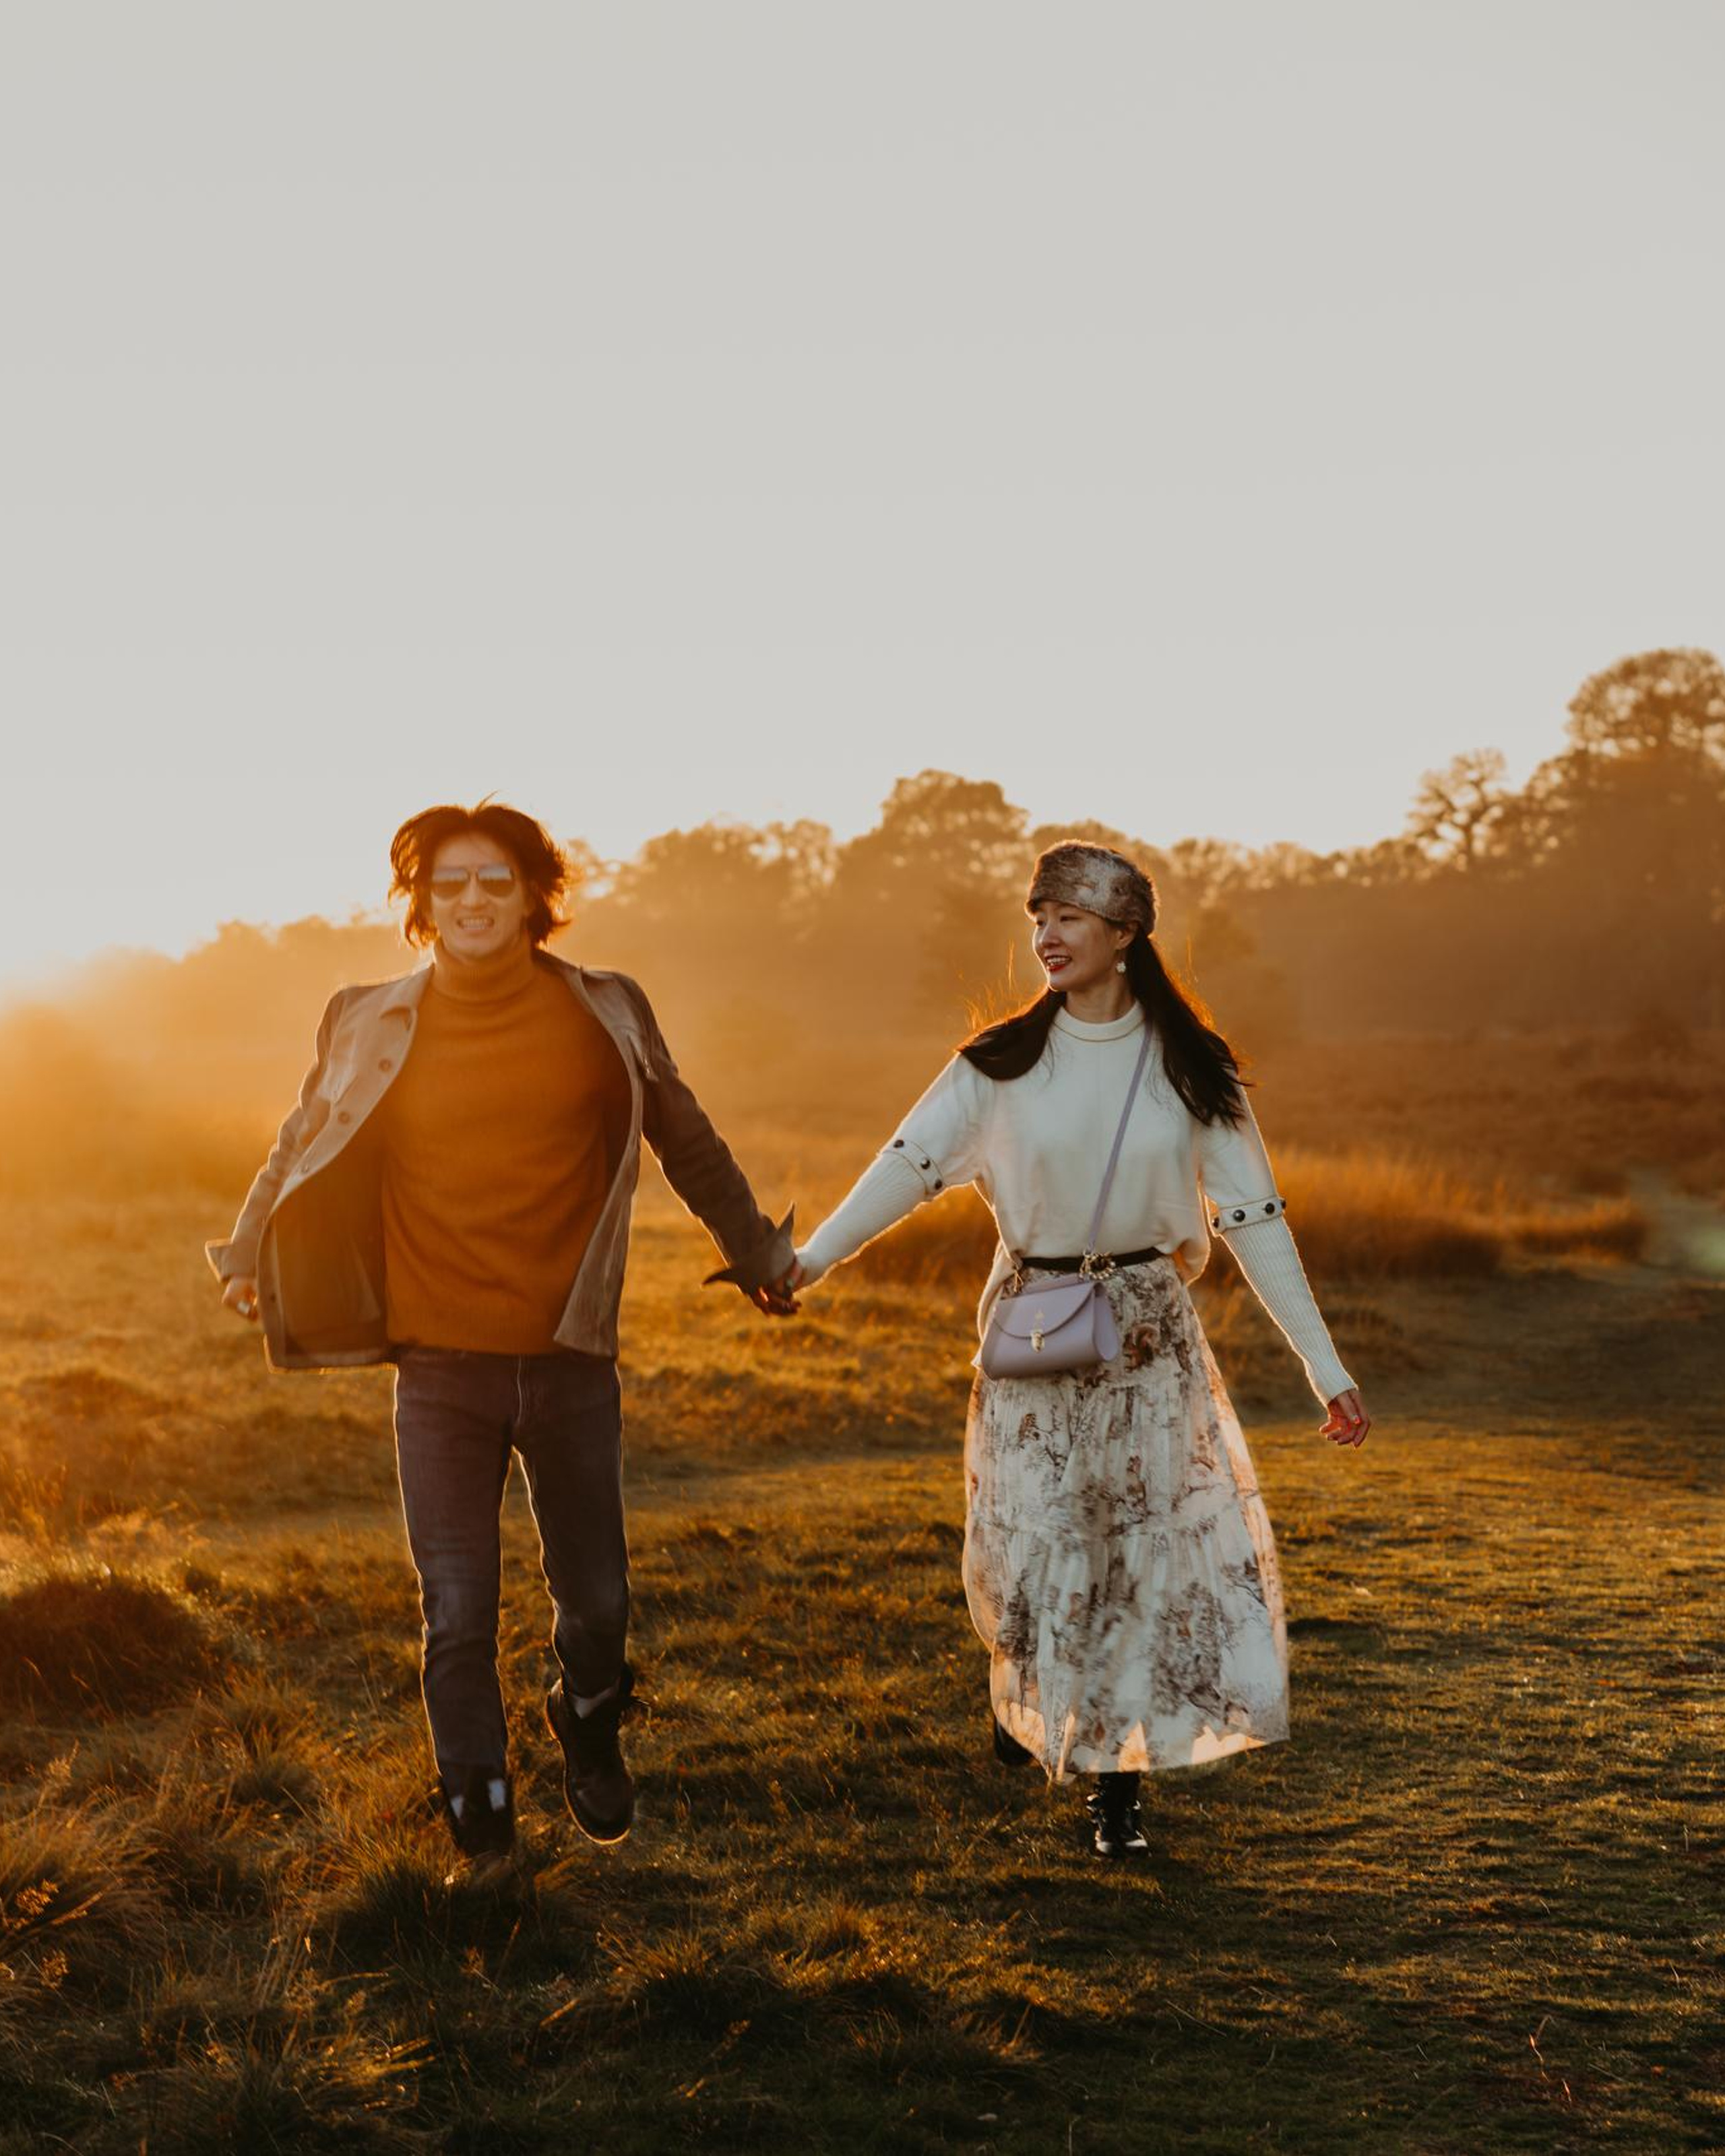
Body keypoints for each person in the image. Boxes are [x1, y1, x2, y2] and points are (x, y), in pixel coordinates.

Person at [208, 802, 798, 1879]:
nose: (471, 902)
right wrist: (248, 1251)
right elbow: (301, 1138)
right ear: (421, 905)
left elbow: (689, 1140)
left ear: (535, 896)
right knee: (458, 1612)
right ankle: (482, 1831)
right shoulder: (366, 1015)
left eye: (494, 882)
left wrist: (756, 1251)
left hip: (571, 1359)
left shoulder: (606, 1009)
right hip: (438, 1369)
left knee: (598, 1602)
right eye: (449, 885)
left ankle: (587, 1715)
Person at [787, 842, 1370, 1861]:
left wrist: (1328, 1369)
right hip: (1033, 1323)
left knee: (1127, 1558)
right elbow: (907, 1166)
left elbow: (1256, 1222)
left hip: (1148, 1339)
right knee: (1020, 1545)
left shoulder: (1194, 1070)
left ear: (1125, 934)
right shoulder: (998, 1065)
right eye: (1037, 917)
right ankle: (1026, 1688)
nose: (1046, 937)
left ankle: (1116, 1791)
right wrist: (812, 1262)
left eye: (1069, 918)